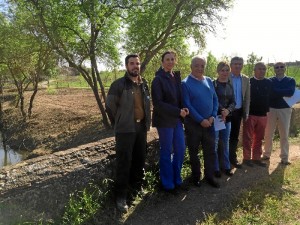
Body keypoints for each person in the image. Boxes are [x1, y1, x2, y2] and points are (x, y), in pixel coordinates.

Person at [106, 54, 151, 212]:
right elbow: (110, 106)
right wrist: (119, 121)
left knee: (139, 160)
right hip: (125, 130)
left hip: (141, 129)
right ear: (126, 66)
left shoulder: (144, 84)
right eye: (132, 63)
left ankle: (136, 189)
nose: (135, 66)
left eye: (137, 63)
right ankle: (121, 197)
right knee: (124, 163)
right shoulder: (118, 84)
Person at [151, 50, 189, 193]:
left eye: (173, 59)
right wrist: (177, 111)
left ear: (175, 61)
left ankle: (177, 179)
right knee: (166, 151)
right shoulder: (158, 79)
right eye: (167, 59)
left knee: (180, 149)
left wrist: (183, 108)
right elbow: (158, 103)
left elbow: (178, 98)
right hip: (164, 121)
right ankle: (167, 184)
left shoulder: (175, 76)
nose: (170, 61)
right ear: (162, 62)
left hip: (177, 120)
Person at [182, 56, 220, 188]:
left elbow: (215, 99)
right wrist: (200, 120)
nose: (200, 68)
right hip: (193, 124)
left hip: (210, 123)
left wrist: (213, 116)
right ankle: (196, 176)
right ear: (191, 66)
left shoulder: (209, 80)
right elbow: (187, 105)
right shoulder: (185, 83)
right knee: (194, 152)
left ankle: (210, 176)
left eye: (202, 65)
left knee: (210, 151)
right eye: (197, 65)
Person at [262, 62, 296, 165]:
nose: (279, 69)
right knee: (268, 133)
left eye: (281, 67)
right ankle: (266, 154)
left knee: (284, 134)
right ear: (274, 69)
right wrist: (282, 92)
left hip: (285, 109)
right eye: (277, 67)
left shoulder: (290, 80)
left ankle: (284, 158)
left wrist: (276, 92)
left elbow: (290, 92)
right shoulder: (270, 80)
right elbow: (270, 93)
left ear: (285, 68)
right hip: (271, 109)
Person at [242, 62, 271, 167]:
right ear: (254, 70)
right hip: (250, 114)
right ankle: (246, 158)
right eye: (259, 68)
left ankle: (256, 158)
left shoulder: (269, 82)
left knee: (259, 137)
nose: (262, 71)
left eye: (264, 69)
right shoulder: (248, 81)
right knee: (247, 137)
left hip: (263, 115)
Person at [213, 62, 236, 177]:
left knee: (225, 143)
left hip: (228, 118)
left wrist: (228, 111)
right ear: (218, 71)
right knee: (216, 143)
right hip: (217, 118)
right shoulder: (213, 84)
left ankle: (226, 166)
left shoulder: (230, 85)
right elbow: (213, 100)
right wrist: (222, 110)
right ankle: (216, 168)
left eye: (227, 70)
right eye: (222, 70)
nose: (225, 72)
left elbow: (233, 102)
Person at [228, 57, 250, 168]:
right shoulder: (225, 76)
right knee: (224, 136)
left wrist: (246, 112)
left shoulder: (246, 79)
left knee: (235, 136)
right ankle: (223, 160)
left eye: (240, 64)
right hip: (226, 112)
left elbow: (247, 97)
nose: (237, 66)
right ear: (231, 65)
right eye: (235, 64)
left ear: (242, 65)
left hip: (238, 112)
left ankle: (233, 158)